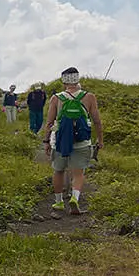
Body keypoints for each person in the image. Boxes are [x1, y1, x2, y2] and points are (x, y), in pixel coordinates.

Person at [41, 66, 103, 215]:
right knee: (78, 173)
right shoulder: (89, 97)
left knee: (58, 171)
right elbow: (97, 121)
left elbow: (49, 123)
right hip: (82, 141)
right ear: (78, 79)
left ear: (64, 81)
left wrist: (46, 141)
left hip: (60, 141)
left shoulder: (56, 98)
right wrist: (100, 140)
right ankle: (75, 198)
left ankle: (58, 202)